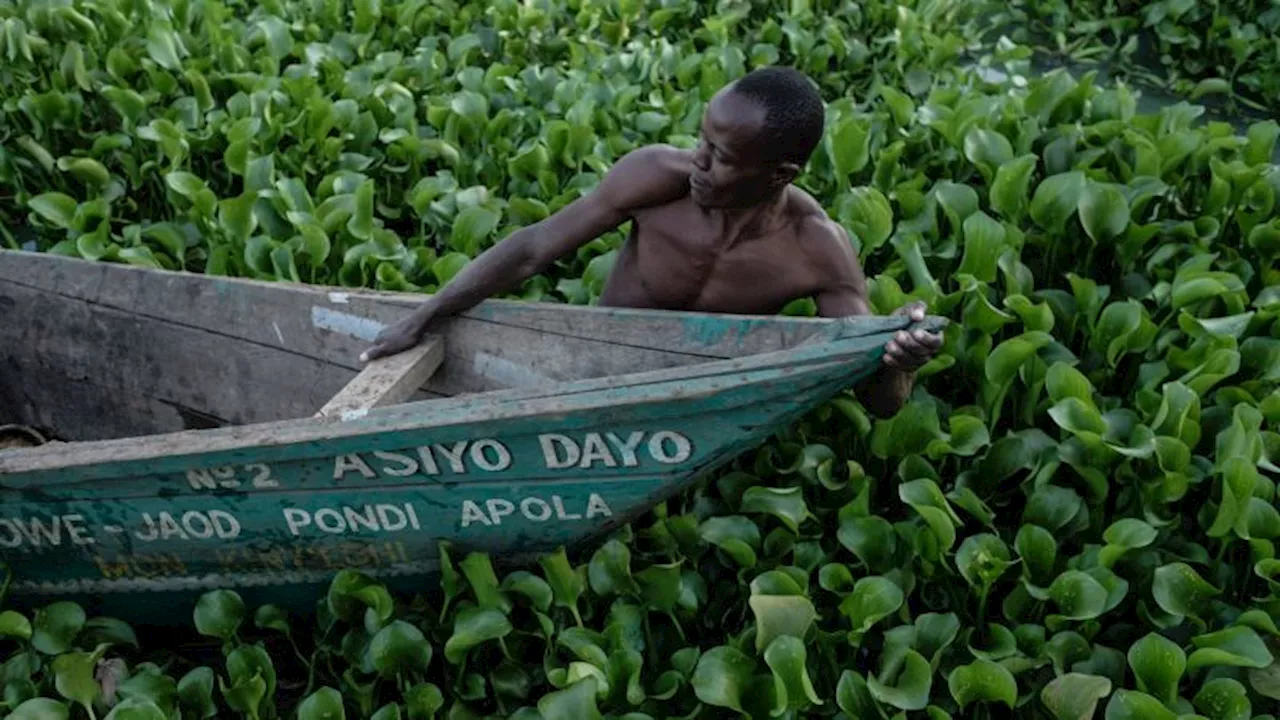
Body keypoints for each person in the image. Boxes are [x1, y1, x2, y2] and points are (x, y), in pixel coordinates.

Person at [361, 66, 942, 417]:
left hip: (702, 396)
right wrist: (427, 314)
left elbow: (880, 402)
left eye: (722, 158)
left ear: (780, 174)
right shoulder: (656, 177)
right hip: (597, 371)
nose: (699, 162)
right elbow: (535, 247)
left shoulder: (816, 249)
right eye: (702, 141)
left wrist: (897, 360)